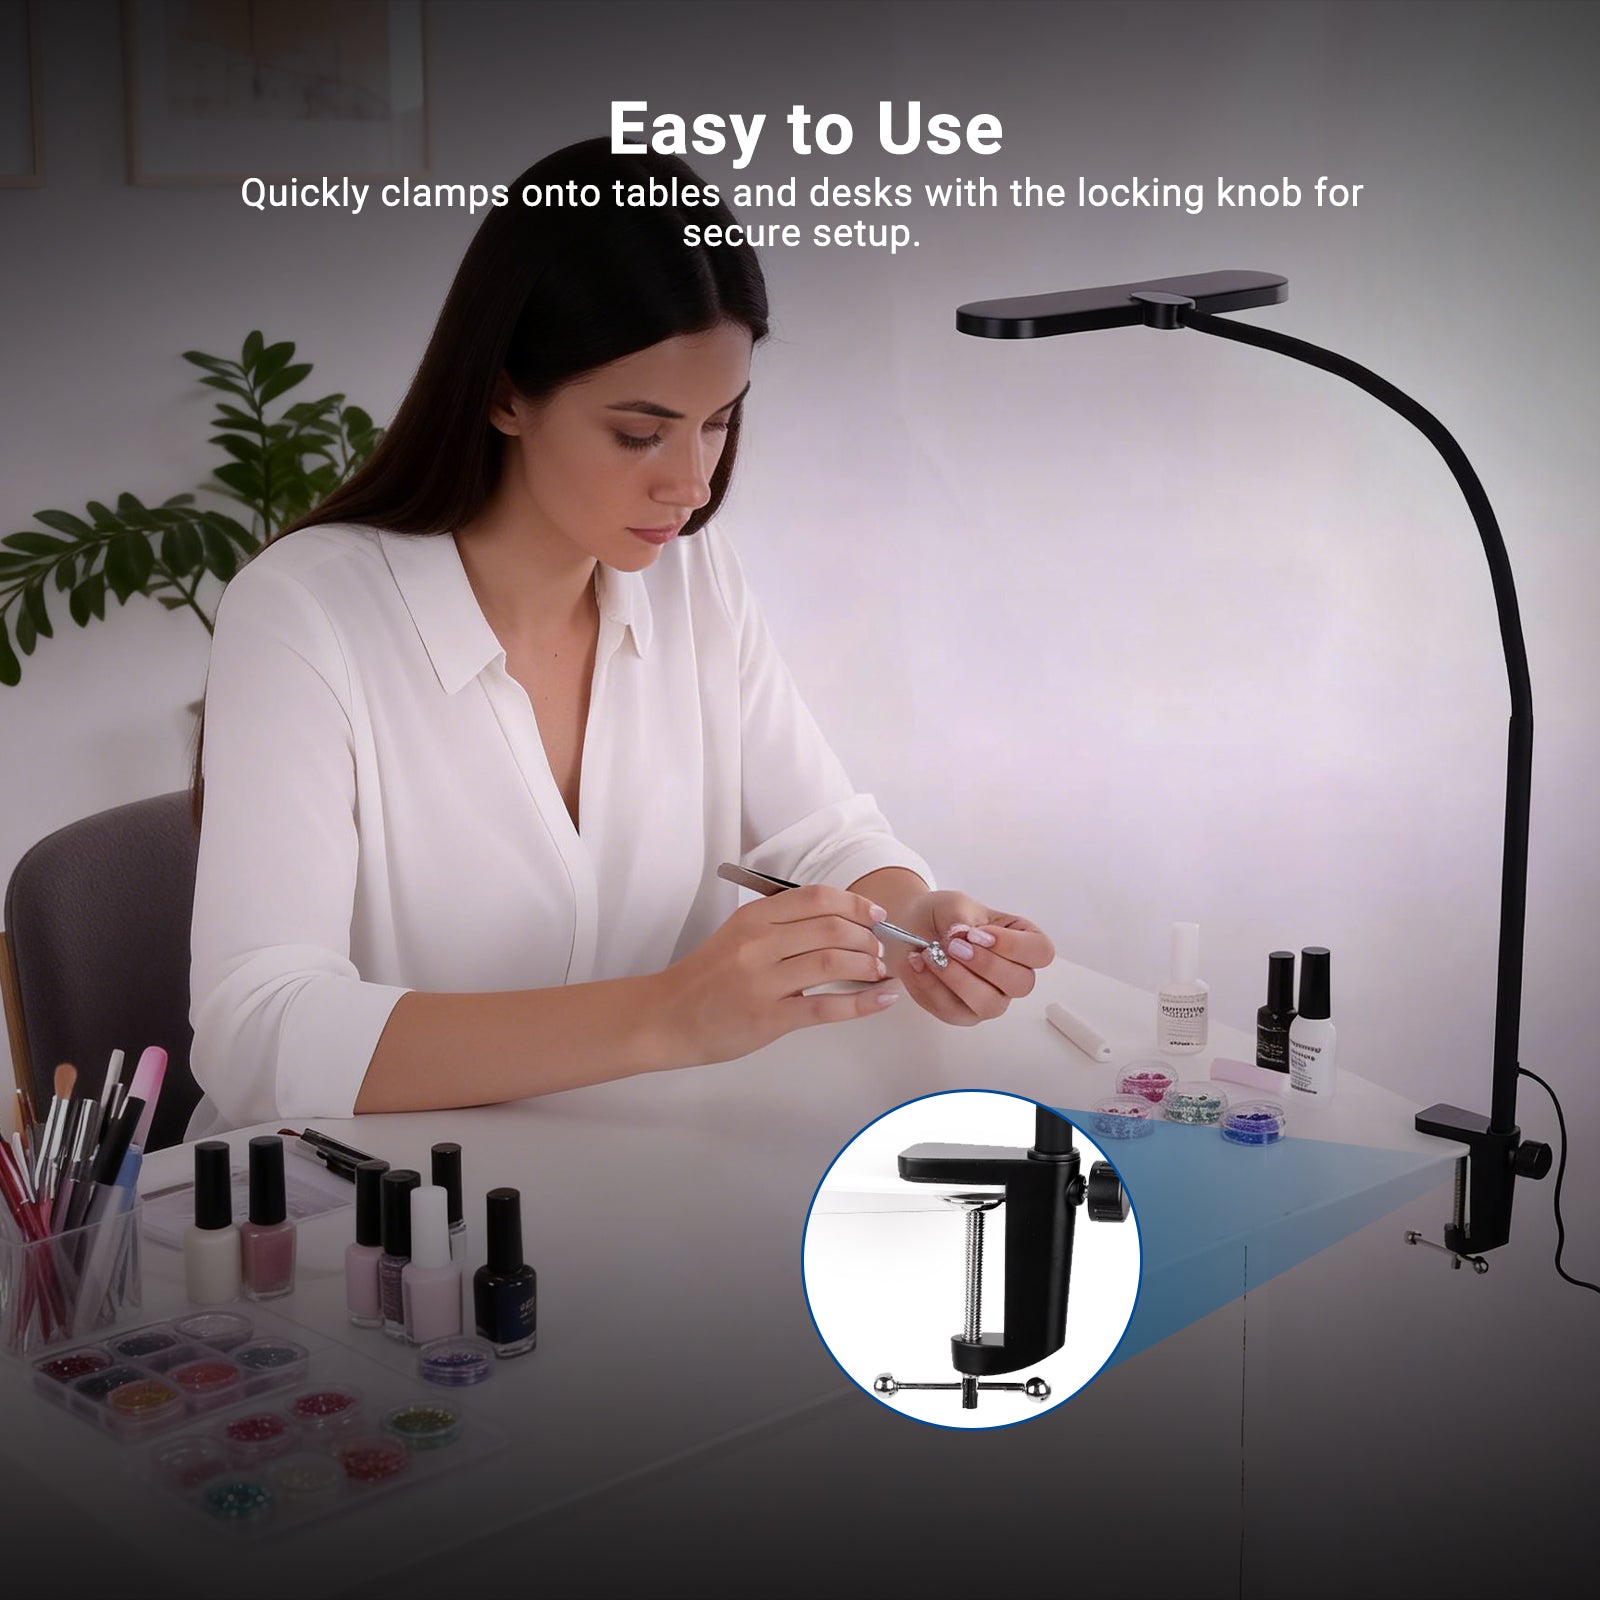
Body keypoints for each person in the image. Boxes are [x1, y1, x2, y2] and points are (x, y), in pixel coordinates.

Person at [187, 139, 1053, 1134]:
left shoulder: (691, 578)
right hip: (368, 1194)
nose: (690, 483)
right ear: (504, 394)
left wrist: (914, 917)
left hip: (623, 1163)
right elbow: (258, 1033)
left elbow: (822, 838)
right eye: (640, 433)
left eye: (718, 422)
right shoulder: (305, 612)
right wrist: (668, 1015)